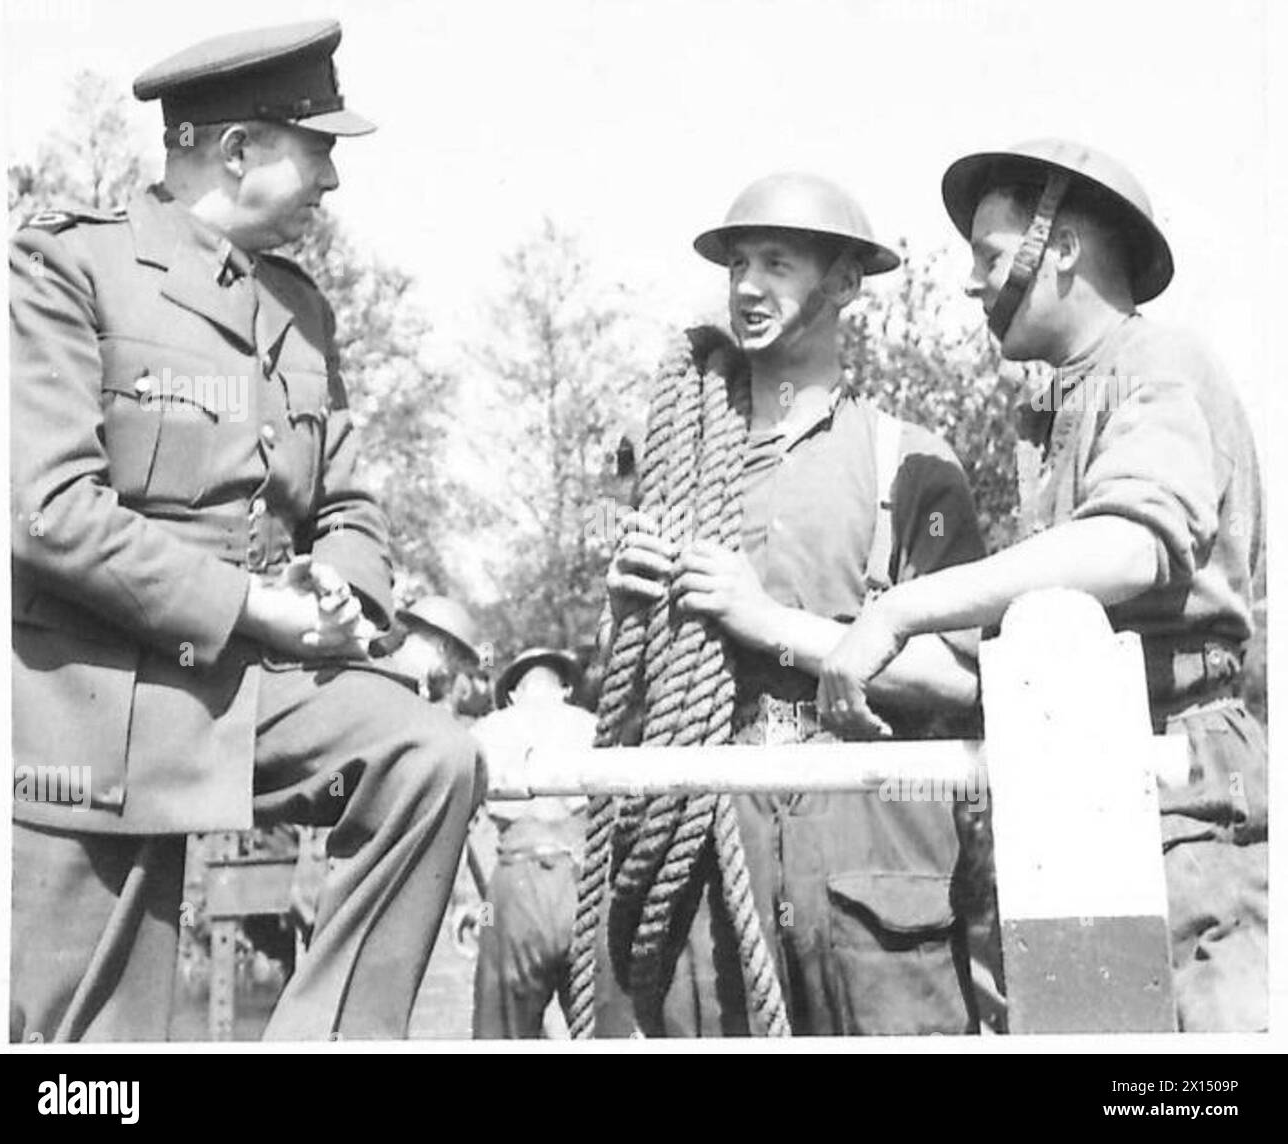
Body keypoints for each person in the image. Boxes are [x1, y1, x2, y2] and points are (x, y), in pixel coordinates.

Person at [10, 19, 481, 1042]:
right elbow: (47, 512)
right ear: (234, 151)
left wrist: (344, 602)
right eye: (319, 151)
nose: (334, 182)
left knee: (428, 757)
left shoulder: (301, 310)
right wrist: (256, 607)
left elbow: (348, 504)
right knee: (85, 1068)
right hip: (98, 711)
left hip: (255, 690)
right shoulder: (67, 269)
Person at [818, 139, 1267, 1031]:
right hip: (1080, 767)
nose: (974, 284)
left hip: (1175, 775)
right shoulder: (1065, 401)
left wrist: (900, 609)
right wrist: (803, 633)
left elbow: (1131, 549)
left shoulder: (1160, 363)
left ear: (1057, 248)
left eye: (988, 256)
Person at [597, 173, 991, 1035]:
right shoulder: (670, 461)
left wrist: (772, 627)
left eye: (777, 262)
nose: (746, 285)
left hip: (873, 884)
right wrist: (630, 620)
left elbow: (963, 685)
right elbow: (632, 701)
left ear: (845, 283)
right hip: (707, 866)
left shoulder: (909, 464)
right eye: (738, 262)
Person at [468, 649, 597, 1038]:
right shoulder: (593, 726)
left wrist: (473, 899)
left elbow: (465, 828)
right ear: (566, 688)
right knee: (599, 1026)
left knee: (504, 1029)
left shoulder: (485, 730)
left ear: (512, 693)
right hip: (584, 883)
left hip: (518, 880)